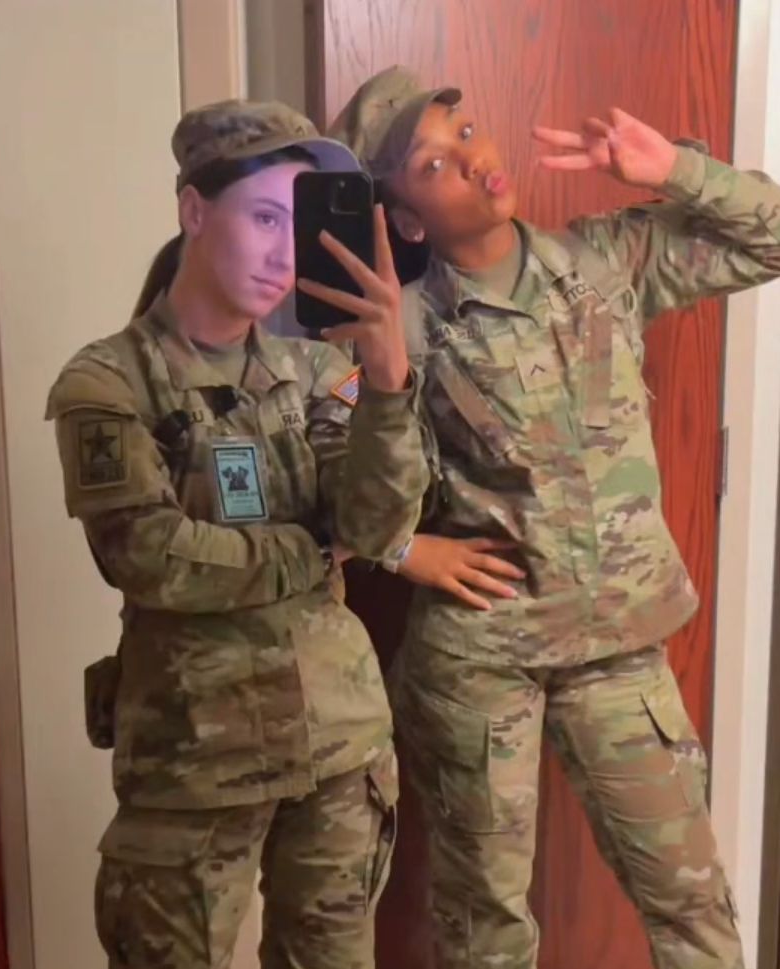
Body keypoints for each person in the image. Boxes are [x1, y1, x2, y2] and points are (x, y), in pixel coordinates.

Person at [330, 65, 780, 968]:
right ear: (407, 219)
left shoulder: (604, 263)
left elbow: (768, 239)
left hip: (618, 647)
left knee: (691, 903)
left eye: (464, 132)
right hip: (482, 662)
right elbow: (358, 515)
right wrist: (408, 544)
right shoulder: (400, 328)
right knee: (484, 929)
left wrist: (673, 172)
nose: (471, 158)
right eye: (432, 163)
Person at [45, 98, 430, 969]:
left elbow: (377, 525)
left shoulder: (319, 368)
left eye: (295, 223)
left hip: (337, 746)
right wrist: (310, 550)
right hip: (195, 759)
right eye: (262, 217)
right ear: (193, 209)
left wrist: (386, 381)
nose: (283, 252)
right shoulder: (109, 382)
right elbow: (150, 558)